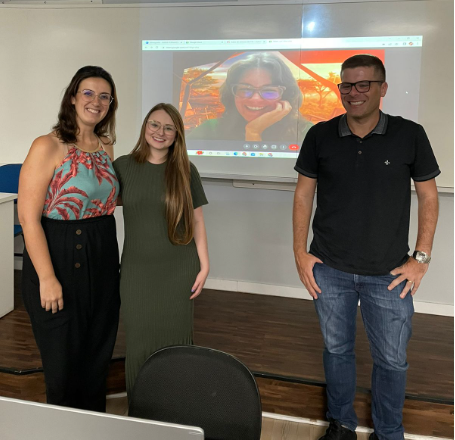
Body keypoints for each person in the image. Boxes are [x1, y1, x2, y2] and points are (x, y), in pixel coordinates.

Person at [292, 55, 439, 440]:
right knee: (337, 351)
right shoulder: (319, 135)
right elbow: (303, 195)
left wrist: (420, 258)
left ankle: (388, 432)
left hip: (390, 274)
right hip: (329, 268)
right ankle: (341, 424)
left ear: (382, 89)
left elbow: (428, 196)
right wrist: (299, 252)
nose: (354, 93)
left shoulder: (410, 134)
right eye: (347, 85)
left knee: (392, 361)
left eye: (363, 85)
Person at [18, 66, 121, 412]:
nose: (97, 101)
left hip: (103, 256)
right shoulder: (48, 145)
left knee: (96, 358)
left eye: (104, 96)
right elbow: (28, 218)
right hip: (60, 256)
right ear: (73, 97)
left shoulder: (105, 145)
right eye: (89, 93)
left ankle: (93, 428)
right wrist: (47, 278)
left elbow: (105, 198)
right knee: (63, 366)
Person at [113, 103, 209, 398]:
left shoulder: (185, 170)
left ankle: (176, 410)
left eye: (169, 127)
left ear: (177, 134)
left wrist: (204, 266)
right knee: (140, 342)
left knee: (175, 344)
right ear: (145, 127)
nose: (160, 132)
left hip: (178, 269)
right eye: (154, 124)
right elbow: (102, 205)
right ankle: (141, 411)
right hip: (136, 272)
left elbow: (196, 220)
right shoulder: (123, 166)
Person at [187, 52, 312, 143]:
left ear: (286, 96)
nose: (255, 99)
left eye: (269, 91)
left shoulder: (306, 133)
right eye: (245, 89)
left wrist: (253, 132)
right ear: (232, 94)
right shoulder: (209, 129)